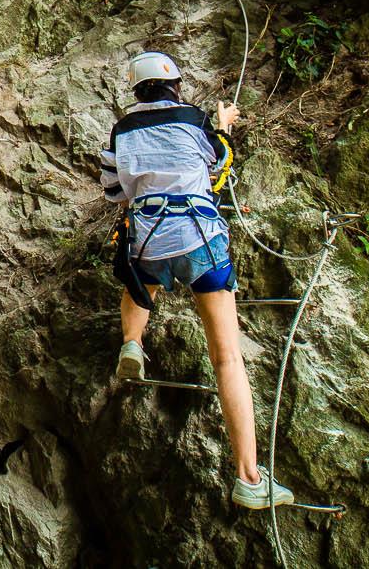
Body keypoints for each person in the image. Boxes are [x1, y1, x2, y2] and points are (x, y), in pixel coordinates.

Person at [101, 50, 292, 510]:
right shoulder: (193, 118)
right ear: (175, 85)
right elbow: (220, 163)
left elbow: (113, 191)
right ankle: (248, 476)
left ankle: (132, 343)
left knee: (140, 282)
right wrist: (223, 125)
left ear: (137, 90)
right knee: (227, 358)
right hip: (199, 240)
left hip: (149, 240)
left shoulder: (121, 131)